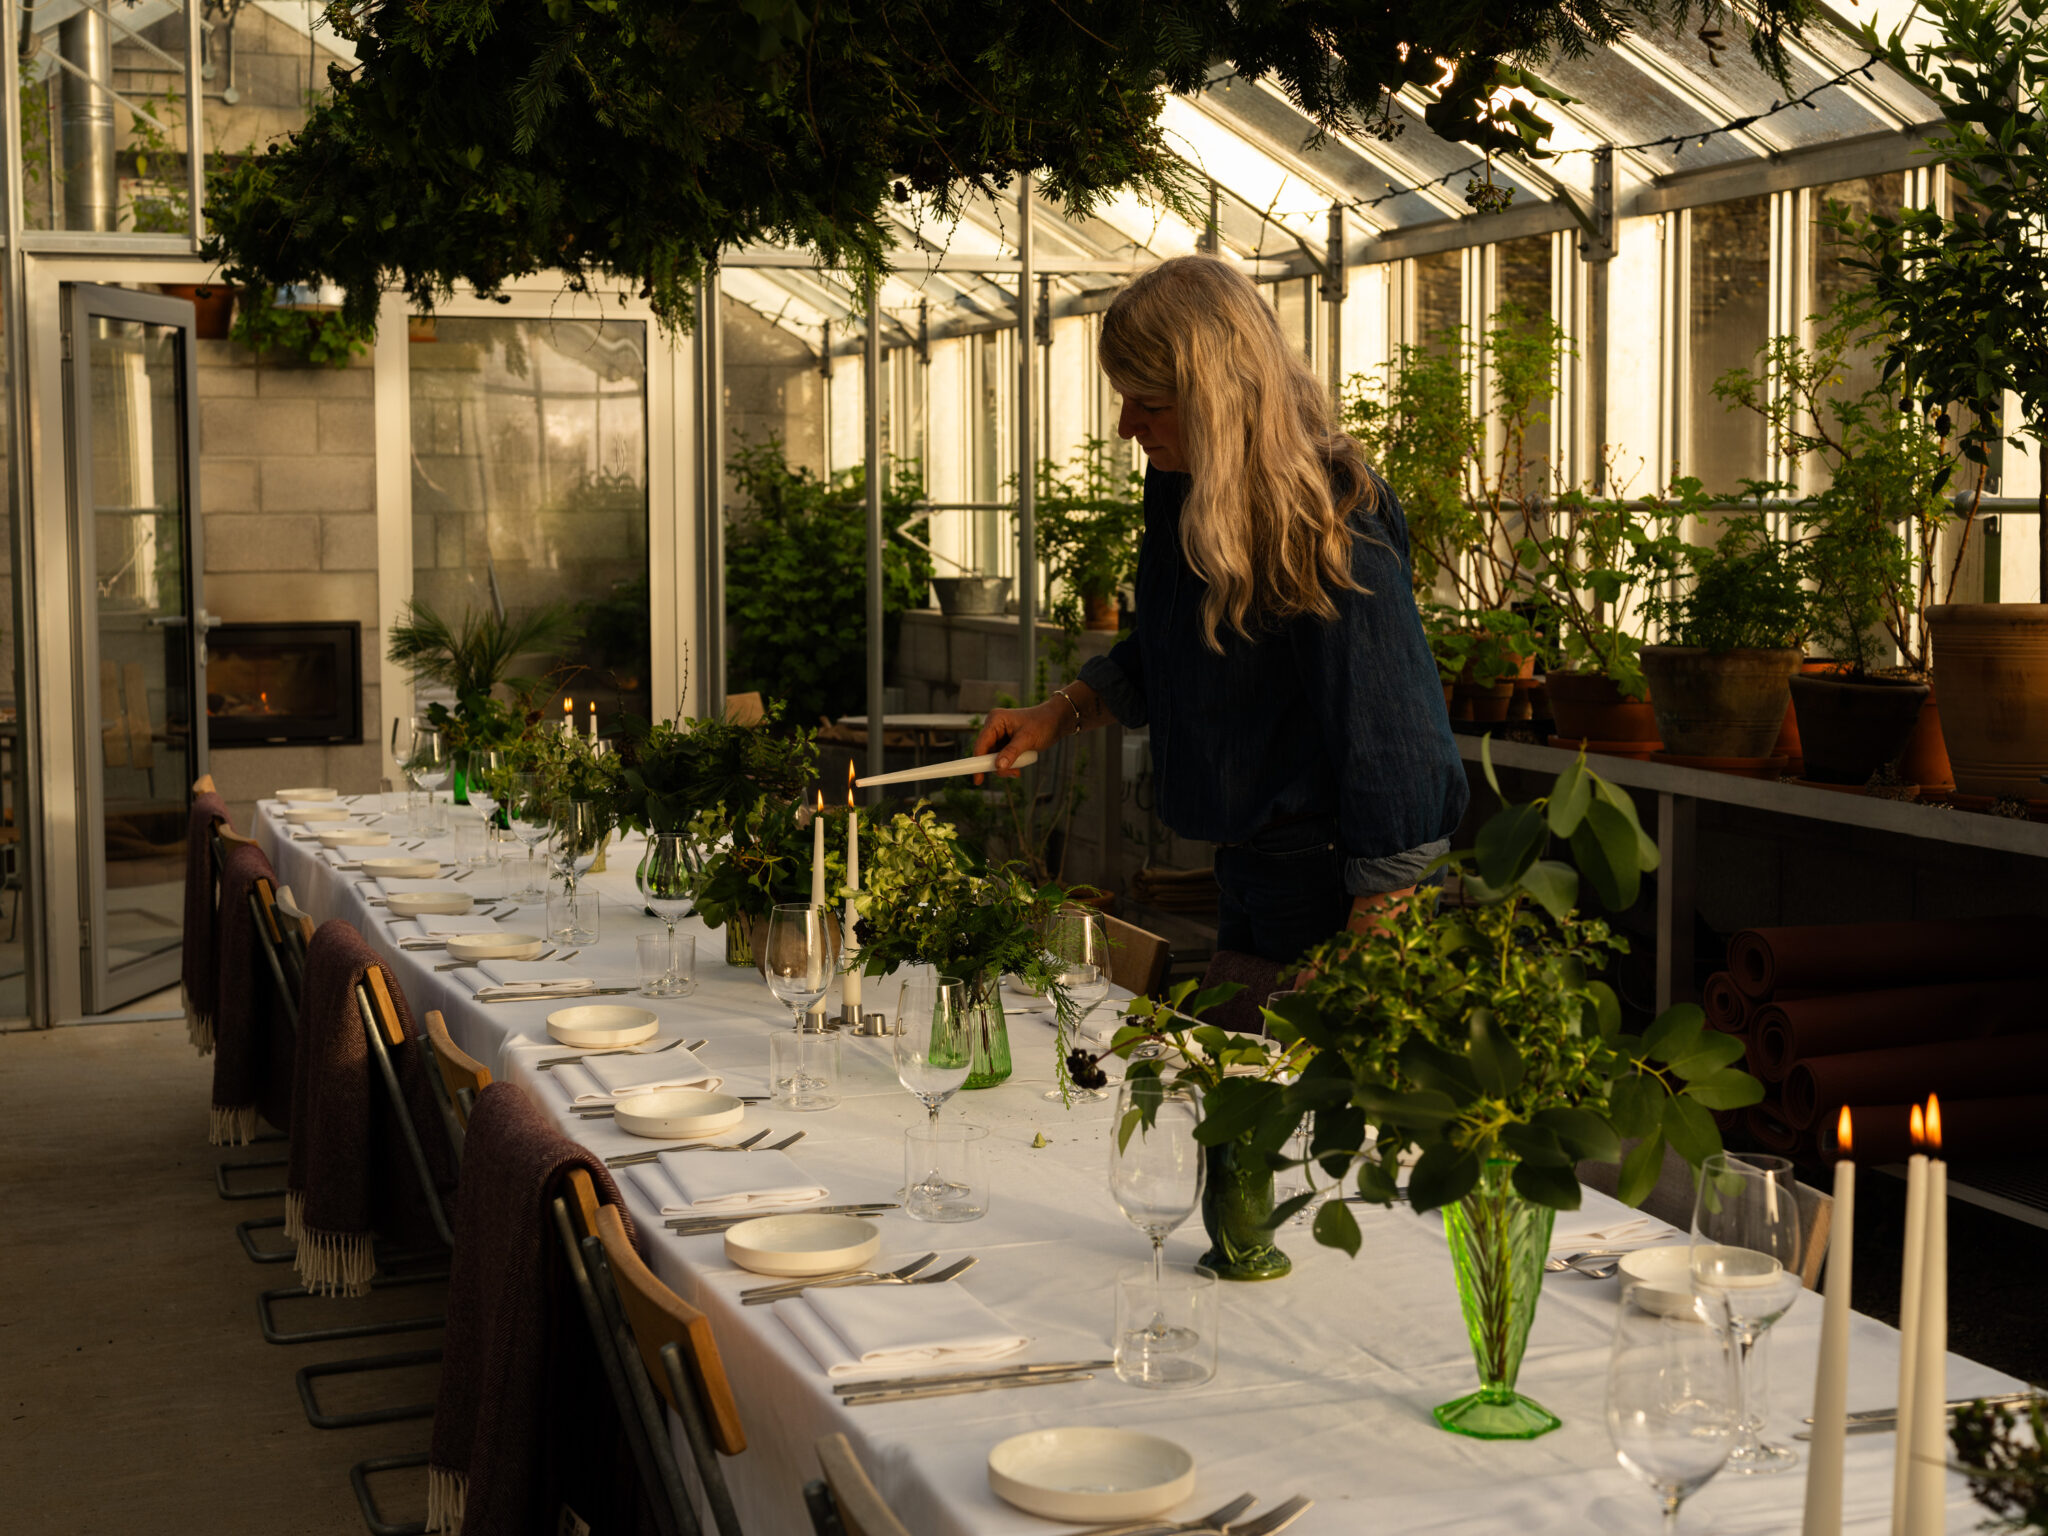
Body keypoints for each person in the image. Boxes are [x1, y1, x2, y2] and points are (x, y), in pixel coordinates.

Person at [974, 255, 1468, 970]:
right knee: (1234, 1068)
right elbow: (1175, 644)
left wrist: (1370, 947)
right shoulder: (1188, 487)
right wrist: (1058, 714)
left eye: (1148, 402)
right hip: (1254, 866)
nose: (1125, 426)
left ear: (1216, 394)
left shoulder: (1324, 519)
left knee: (1299, 1074)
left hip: (1339, 881)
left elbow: (1395, 735)